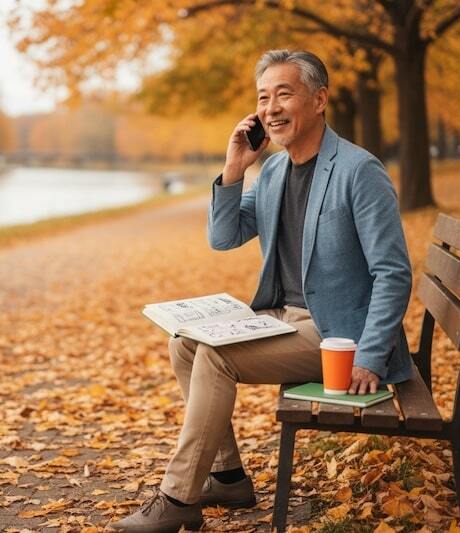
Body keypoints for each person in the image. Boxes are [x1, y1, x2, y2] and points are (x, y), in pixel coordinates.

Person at [109, 49, 413, 533]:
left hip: (339, 337)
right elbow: (223, 236)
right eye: (263, 97)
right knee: (185, 345)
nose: (271, 108)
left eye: (284, 94)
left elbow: (393, 272)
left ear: (319, 100)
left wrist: (371, 356)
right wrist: (234, 168)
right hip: (281, 317)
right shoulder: (271, 172)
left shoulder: (359, 171)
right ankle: (227, 476)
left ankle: (177, 496)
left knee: (214, 356)